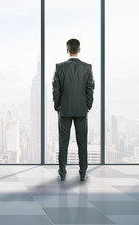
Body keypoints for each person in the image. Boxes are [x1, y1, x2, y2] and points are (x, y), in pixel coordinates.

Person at [52, 38, 95, 181]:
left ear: (67, 50)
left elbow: (55, 90)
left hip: (64, 110)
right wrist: (87, 106)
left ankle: (62, 173)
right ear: (79, 50)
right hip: (81, 110)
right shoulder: (87, 67)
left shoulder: (59, 67)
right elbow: (90, 89)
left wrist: (57, 106)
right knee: (82, 143)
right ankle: (83, 173)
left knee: (63, 143)